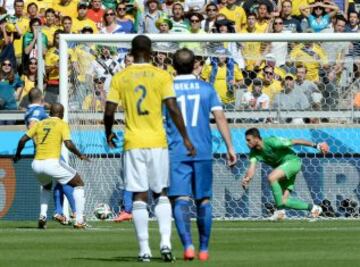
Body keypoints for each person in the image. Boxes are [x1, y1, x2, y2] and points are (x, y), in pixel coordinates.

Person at [104, 35, 195, 262]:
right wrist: (185, 137)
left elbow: (109, 111)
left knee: (139, 195)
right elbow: (172, 108)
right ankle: (165, 243)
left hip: (133, 142)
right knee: (161, 192)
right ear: (151, 51)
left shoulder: (120, 77)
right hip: (157, 142)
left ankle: (144, 249)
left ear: (132, 52)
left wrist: (108, 133)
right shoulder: (162, 75)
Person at [166, 48, 237, 261]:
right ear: (195, 65)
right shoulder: (207, 88)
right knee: (203, 200)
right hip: (203, 149)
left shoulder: (167, 89)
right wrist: (230, 147)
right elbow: (220, 118)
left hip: (176, 150)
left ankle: (187, 245)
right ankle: (204, 249)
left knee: (180, 199)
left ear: (173, 66)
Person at [14, 103, 88, 229]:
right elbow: (68, 144)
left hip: (36, 164)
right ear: (62, 114)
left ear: (50, 113)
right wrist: (80, 155)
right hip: (52, 162)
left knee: (47, 186)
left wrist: (17, 155)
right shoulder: (62, 124)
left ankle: (43, 216)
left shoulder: (40, 123)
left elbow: (22, 140)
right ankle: (79, 219)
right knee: (79, 183)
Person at [241, 128, 328, 220]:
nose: (247, 143)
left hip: (292, 162)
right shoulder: (254, 153)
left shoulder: (272, 142)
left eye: (248, 140)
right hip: (282, 169)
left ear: (256, 138)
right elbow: (252, 167)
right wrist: (247, 178)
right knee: (284, 201)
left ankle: (280, 212)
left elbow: (295, 141)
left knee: (272, 177)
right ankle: (314, 208)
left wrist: (316, 145)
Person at [24, 88, 77, 225]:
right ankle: (76, 213)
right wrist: (41, 143)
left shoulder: (29, 110)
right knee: (68, 180)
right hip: (50, 152)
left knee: (52, 184)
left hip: (41, 155)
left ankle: (56, 212)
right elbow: (32, 124)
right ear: (41, 97)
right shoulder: (38, 112)